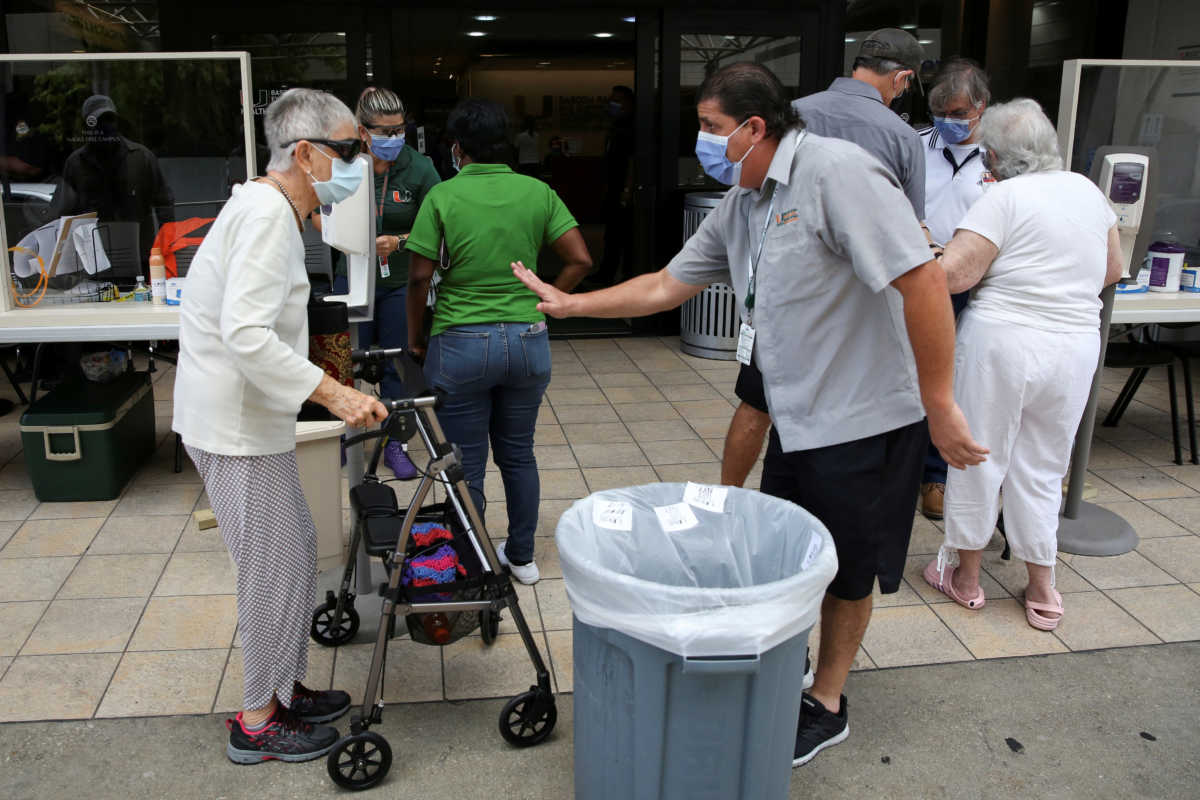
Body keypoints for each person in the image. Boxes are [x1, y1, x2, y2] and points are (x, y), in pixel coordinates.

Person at [511, 62, 986, 765]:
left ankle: (828, 701)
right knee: (789, 555)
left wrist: (941, 403)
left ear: (753, 127)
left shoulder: (837, 174)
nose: (702, 141)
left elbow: (920, 280)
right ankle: (790, 667)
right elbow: (668, 284)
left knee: (849, 568)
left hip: (865, 418)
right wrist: (574, 305)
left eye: (709, 128)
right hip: (799, 417)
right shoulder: (746, 199)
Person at [173, 88, 389, 764]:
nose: (365, 162)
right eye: (352, 149)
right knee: (270, 568)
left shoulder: (270, 210)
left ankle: (285, 688)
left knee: (295, 548)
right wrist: (333, 394)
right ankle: (258, 719)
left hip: (246, 421)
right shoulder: (267, 215)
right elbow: (245, 332)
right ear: (305, 153)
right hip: (233, 428)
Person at [925, 99, 1121, 630]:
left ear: (994, 154)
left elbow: (956, 277)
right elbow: (1113, 268)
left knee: (978, 455)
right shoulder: (1087, 190)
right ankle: (1042, 589)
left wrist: (931, 252)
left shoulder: (1002, 197)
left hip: (1003, 341)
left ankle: (966, 579)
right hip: (1074, 345)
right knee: (1043, 465)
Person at [720, 29, 928, 490]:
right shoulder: (901, 136)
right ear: (903, 80)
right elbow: (911, 237)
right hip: (855, 314)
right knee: (844, 423)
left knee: (757, 408)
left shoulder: (793, 116)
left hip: (777, 295)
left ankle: (727, 501)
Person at [405, 98, 593, 585]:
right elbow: (579, 259)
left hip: (461, 343)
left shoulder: (443, 196)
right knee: (519, 451)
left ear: (458, 148)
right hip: (528, 341)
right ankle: (524, 557)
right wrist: (545, 302)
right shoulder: (537, 191)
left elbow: (419, 277)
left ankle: (476, 558)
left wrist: (416, 338)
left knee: (466, 460)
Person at [330, 86, 441, 479]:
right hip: (352, 280)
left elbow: (439, 226)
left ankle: (396, 443)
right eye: (385, 132)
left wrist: (400, 242)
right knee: (346, 366)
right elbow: (317, 213)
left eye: (399, 131)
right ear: (363, 131)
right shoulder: (341, 164)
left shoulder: (419, 167)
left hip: (399, 283)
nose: (394, 139)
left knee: (399, 365)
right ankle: (346, 441)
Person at [916, 58, 993, 520]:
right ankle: (905, 466)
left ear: (981, 108)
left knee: (955, 379)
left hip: (974, 283)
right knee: (911, 376)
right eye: (940, 112)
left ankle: (937, 476)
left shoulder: (1002, 156)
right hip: (919, 274)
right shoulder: (914, 145)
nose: (948, 121)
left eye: (959, 113)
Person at [52, 94, 174, 277]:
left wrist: (166, 247)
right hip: (93, 264)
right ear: (87, 126)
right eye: (98, 121)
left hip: (140, 261)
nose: (106, 126)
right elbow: (64, 215)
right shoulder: (75, 164)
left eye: (110, 119)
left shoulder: (141, 158)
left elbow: (164, 204)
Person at [592, 85, 636, 286]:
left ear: (627, 103)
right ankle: (606, 274)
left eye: (616, 101)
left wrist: (627, 191)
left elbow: (632, 161)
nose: (611, 104)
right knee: (611, 235)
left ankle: (626, 276)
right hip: (613, 188)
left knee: (624, 236)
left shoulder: (631, 129)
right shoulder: (615, 127)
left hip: (624, 191)